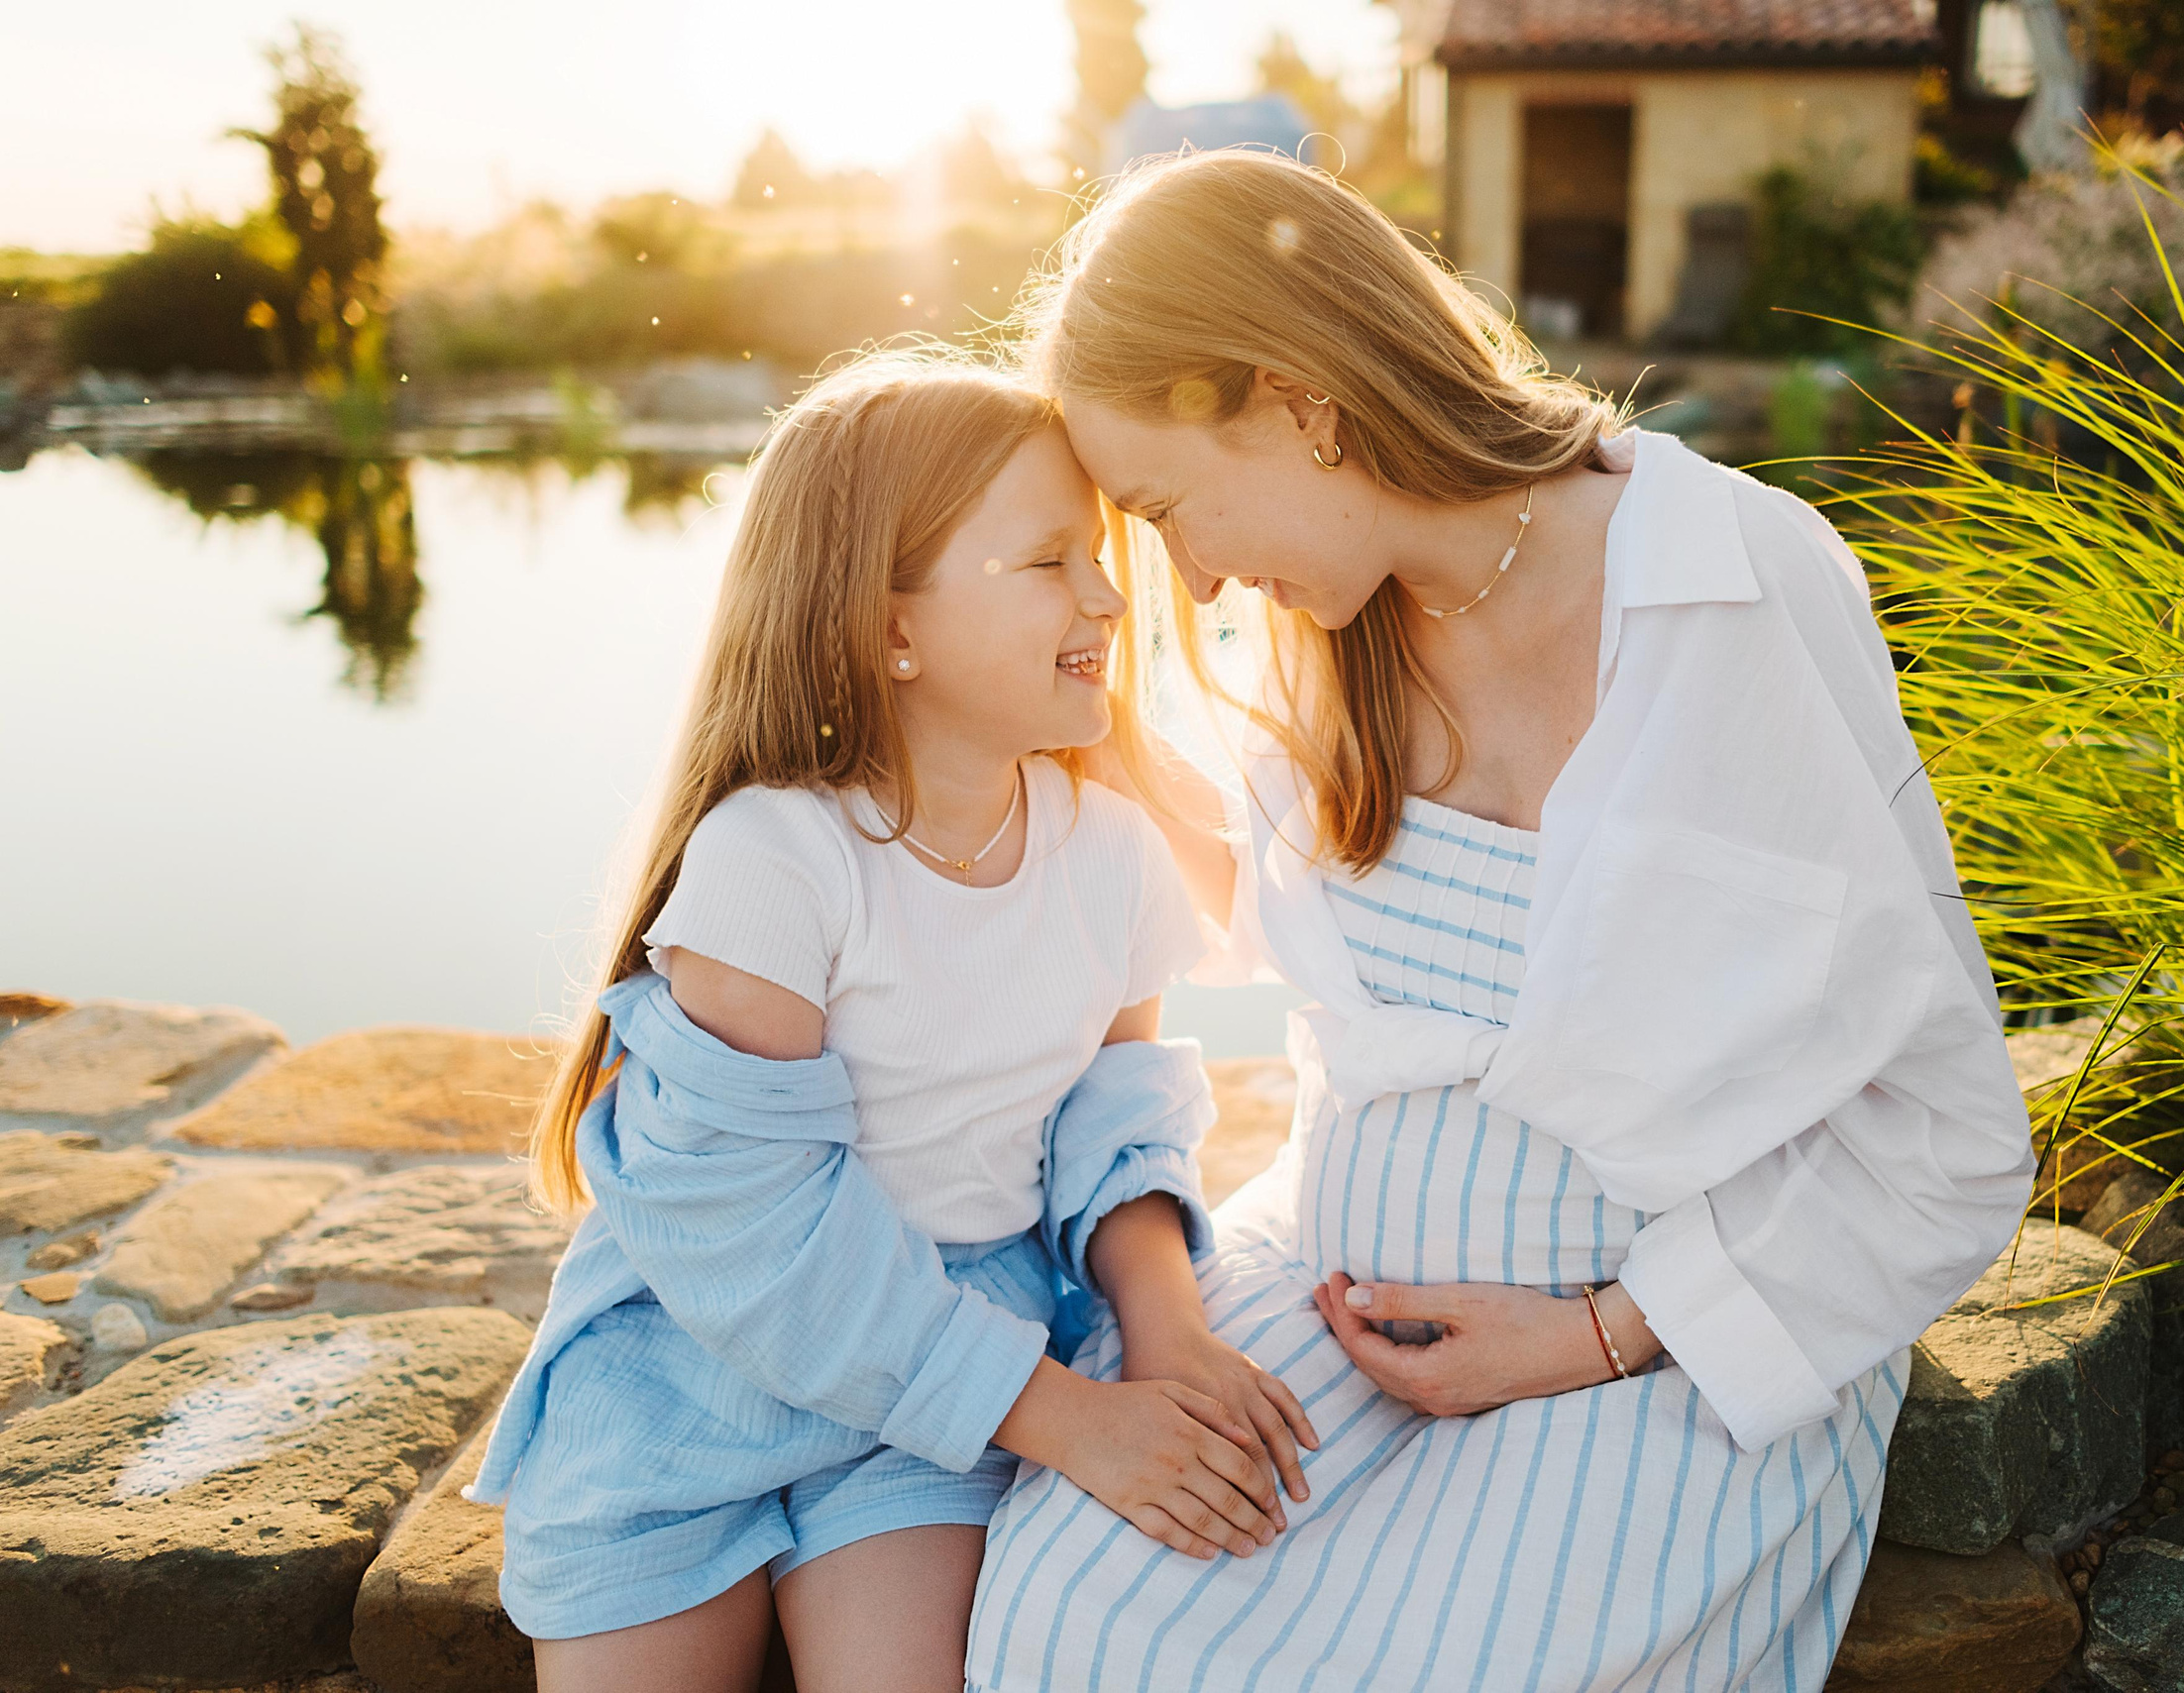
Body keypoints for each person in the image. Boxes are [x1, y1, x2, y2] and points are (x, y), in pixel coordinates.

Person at [966, 154, 2035, 1691]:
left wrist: (1598, 1332)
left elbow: (1944, 1130)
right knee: (1066, 1616)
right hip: (1334, 1308)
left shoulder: (1730, 586)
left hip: (1654, 1354)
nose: (1188, 575)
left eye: (1172, 509)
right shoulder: (1310, 648)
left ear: (1297, 402)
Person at [467, 352, 1314, 1693]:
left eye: (1096, 551)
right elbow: (758, 1231)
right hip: (693, 1371)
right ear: (890, 626)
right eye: (1047, 560)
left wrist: (1166, 1326)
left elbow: (1119, 1117)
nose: (1108, 594)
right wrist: (1074, 1424)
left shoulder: (1111, 853)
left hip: (938, 1388)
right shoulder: (776, 861)